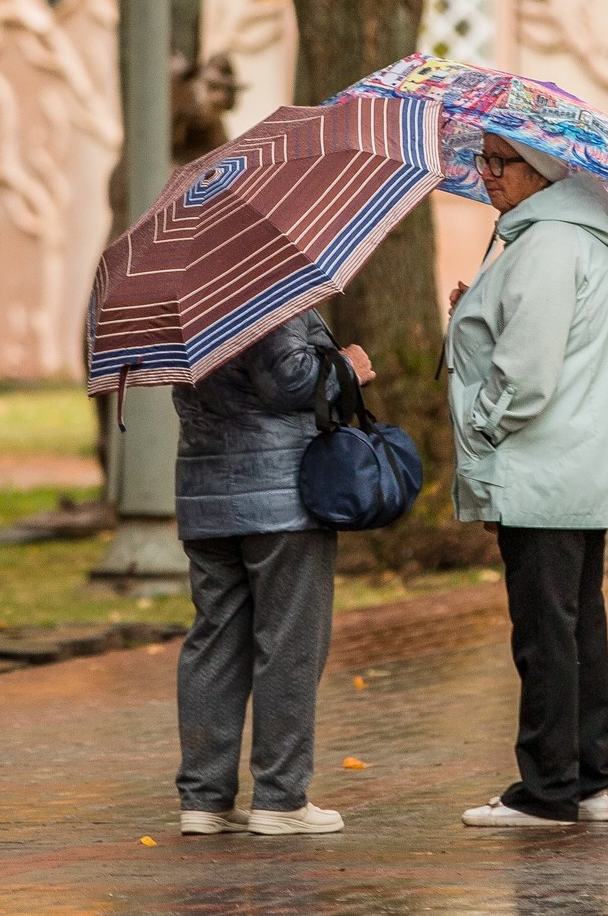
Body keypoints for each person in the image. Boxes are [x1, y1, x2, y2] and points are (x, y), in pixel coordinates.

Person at [445, 131, 608, 827]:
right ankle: (588, 781)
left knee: (544, 634)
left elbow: (524, 378)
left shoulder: (546, 246)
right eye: (484, 160)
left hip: (543, 468)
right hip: (579, 467)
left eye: (500, 164)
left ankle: (548, 789)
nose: (486, 174)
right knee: (577, 626)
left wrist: (479, 425)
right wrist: (475, 315)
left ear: (542, 173)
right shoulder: (573, 239)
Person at [171, 309, 375, 837]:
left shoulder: (184, 296)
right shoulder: (266, 287)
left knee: (214, 639)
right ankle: (281, 799)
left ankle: (204, 799)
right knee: (289, 641)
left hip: (205, 492)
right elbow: (286, 377)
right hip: (280, 497)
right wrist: (347, 366)